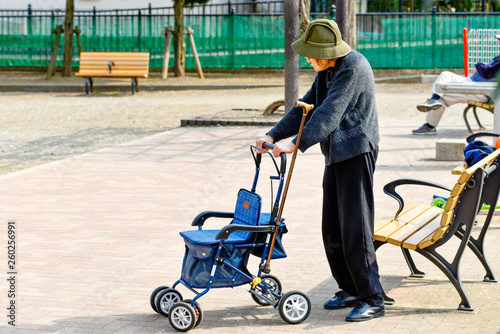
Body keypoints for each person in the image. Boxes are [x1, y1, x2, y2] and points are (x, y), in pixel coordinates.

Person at [255, 19, 384, 322]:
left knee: (356, 227)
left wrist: (296, 145)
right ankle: (350, 288)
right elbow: (305, 107)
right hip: (337, 154)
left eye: (311, 55)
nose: (308, 60)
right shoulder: (326, 70)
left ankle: (373, 297)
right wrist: (274, 135)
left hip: (357, 151)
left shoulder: (353, 67)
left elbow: (330, 112)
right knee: (332, 227)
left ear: (328, 51)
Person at [413, 34, 500, 135]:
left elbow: (487, 72)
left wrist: (478, 65)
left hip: (481, 89)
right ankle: (434, 101)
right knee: (445, 77)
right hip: (475, 84)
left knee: (444, 96)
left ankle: (430, 120)